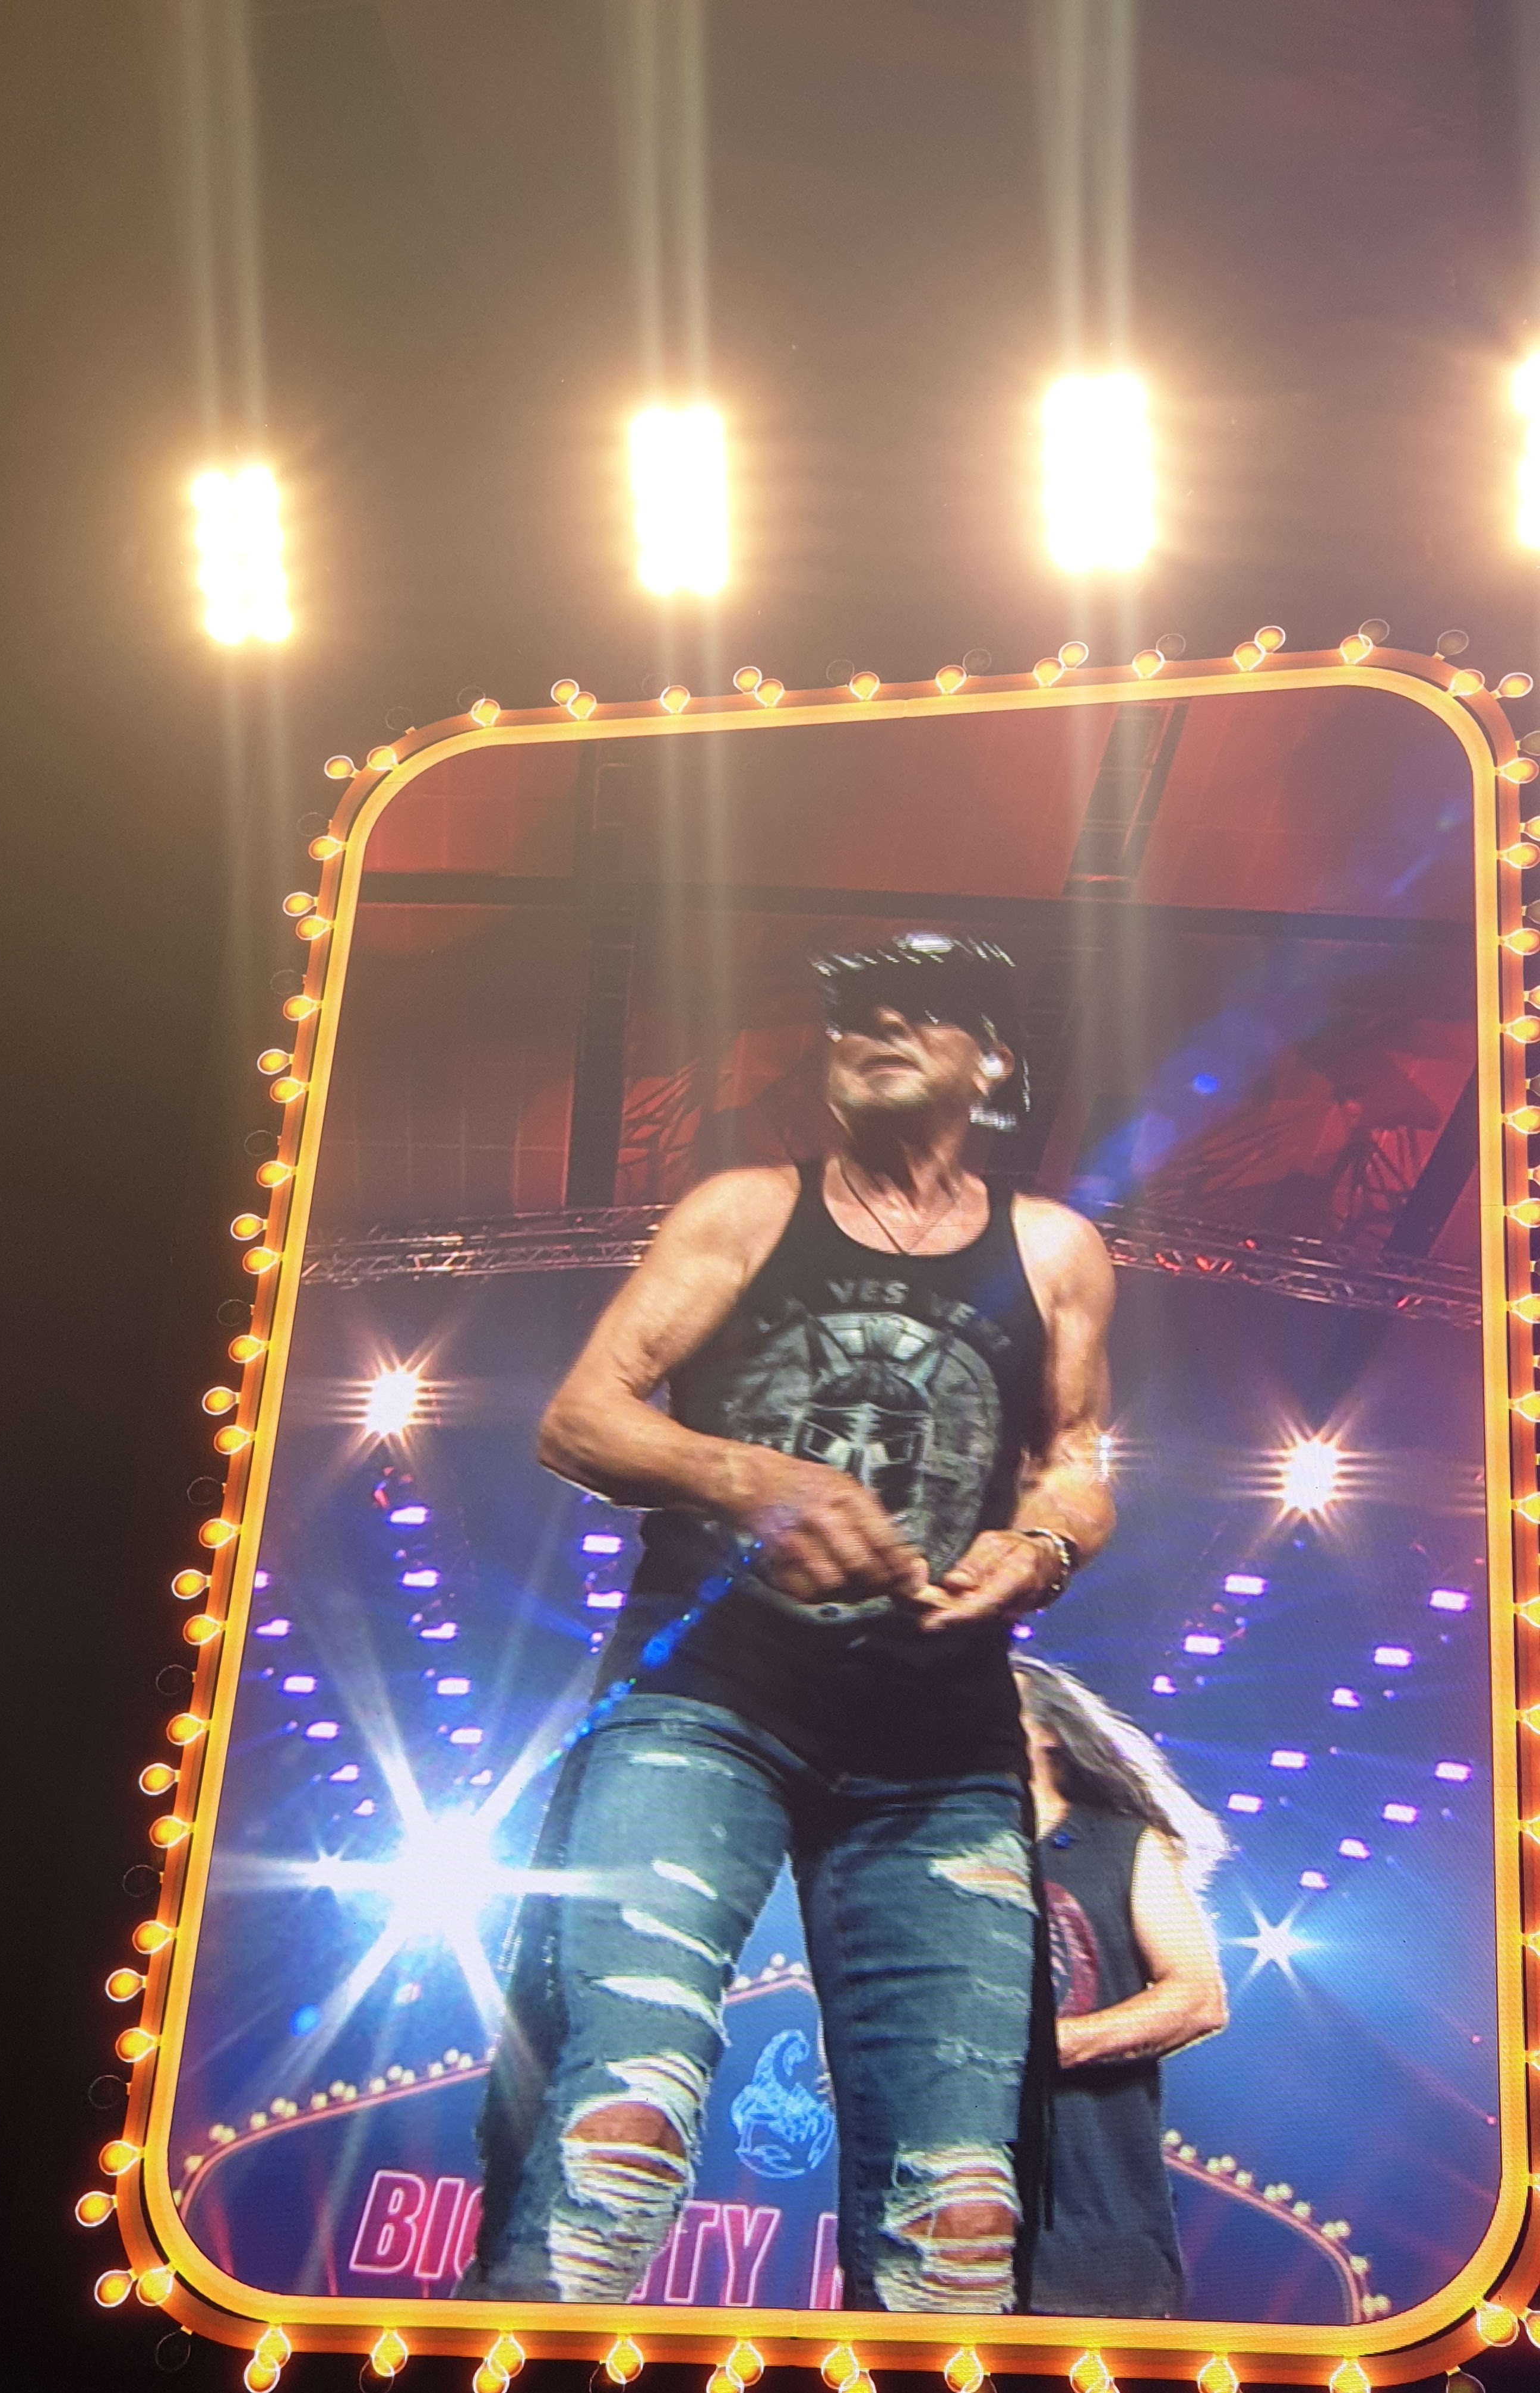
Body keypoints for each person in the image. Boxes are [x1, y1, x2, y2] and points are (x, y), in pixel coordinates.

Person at [469, 932, 1117, 2311]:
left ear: (993, 1060)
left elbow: (1078, 1460)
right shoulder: (746, 1209)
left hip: (940, 1749)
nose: (880, 1026)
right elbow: (579, 1418)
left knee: (960, 2216)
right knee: (621, 2124)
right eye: (856, 1013)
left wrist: (1044, 1543)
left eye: (923, 1011)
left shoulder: (1054, 1247)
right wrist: (745, 1476)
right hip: (707, 1704)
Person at [1013, 1657, 1229, 2319]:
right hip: (939, 2228)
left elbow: (1197, 1998)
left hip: (1092, 2230)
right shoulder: (921, 1855)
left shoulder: (1122, 1845)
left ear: (1048, 1730)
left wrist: (1030, 2049)